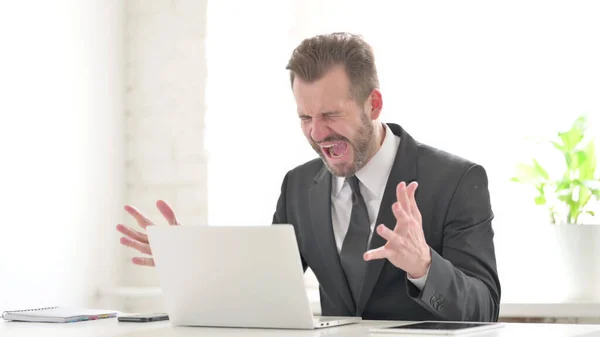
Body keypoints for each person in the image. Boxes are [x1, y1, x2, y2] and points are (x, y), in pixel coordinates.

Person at [116, 32, 501, 322]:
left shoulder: (457, 181)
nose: (317, 134)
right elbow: (264, 291)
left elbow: (484, 311)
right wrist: (189, 262)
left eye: (331, 115)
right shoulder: (298, 187)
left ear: (374, 104)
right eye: (305, 117)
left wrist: (424, 267)